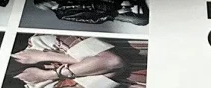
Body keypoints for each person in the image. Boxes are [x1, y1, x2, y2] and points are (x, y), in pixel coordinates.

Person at [9, 34, 147, 88]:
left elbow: (111, 61)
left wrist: (47, 58)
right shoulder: (36, 85)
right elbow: (113, 64)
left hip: (142, 47)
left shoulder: (39, 42)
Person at [33, 0, 149, 27]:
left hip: (109, 1)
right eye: (49, 0)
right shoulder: (62, 15)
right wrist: (115, 12)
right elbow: (92, 20)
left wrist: (117, 1)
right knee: (142, 20)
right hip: (109, 13)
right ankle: (133, 2)